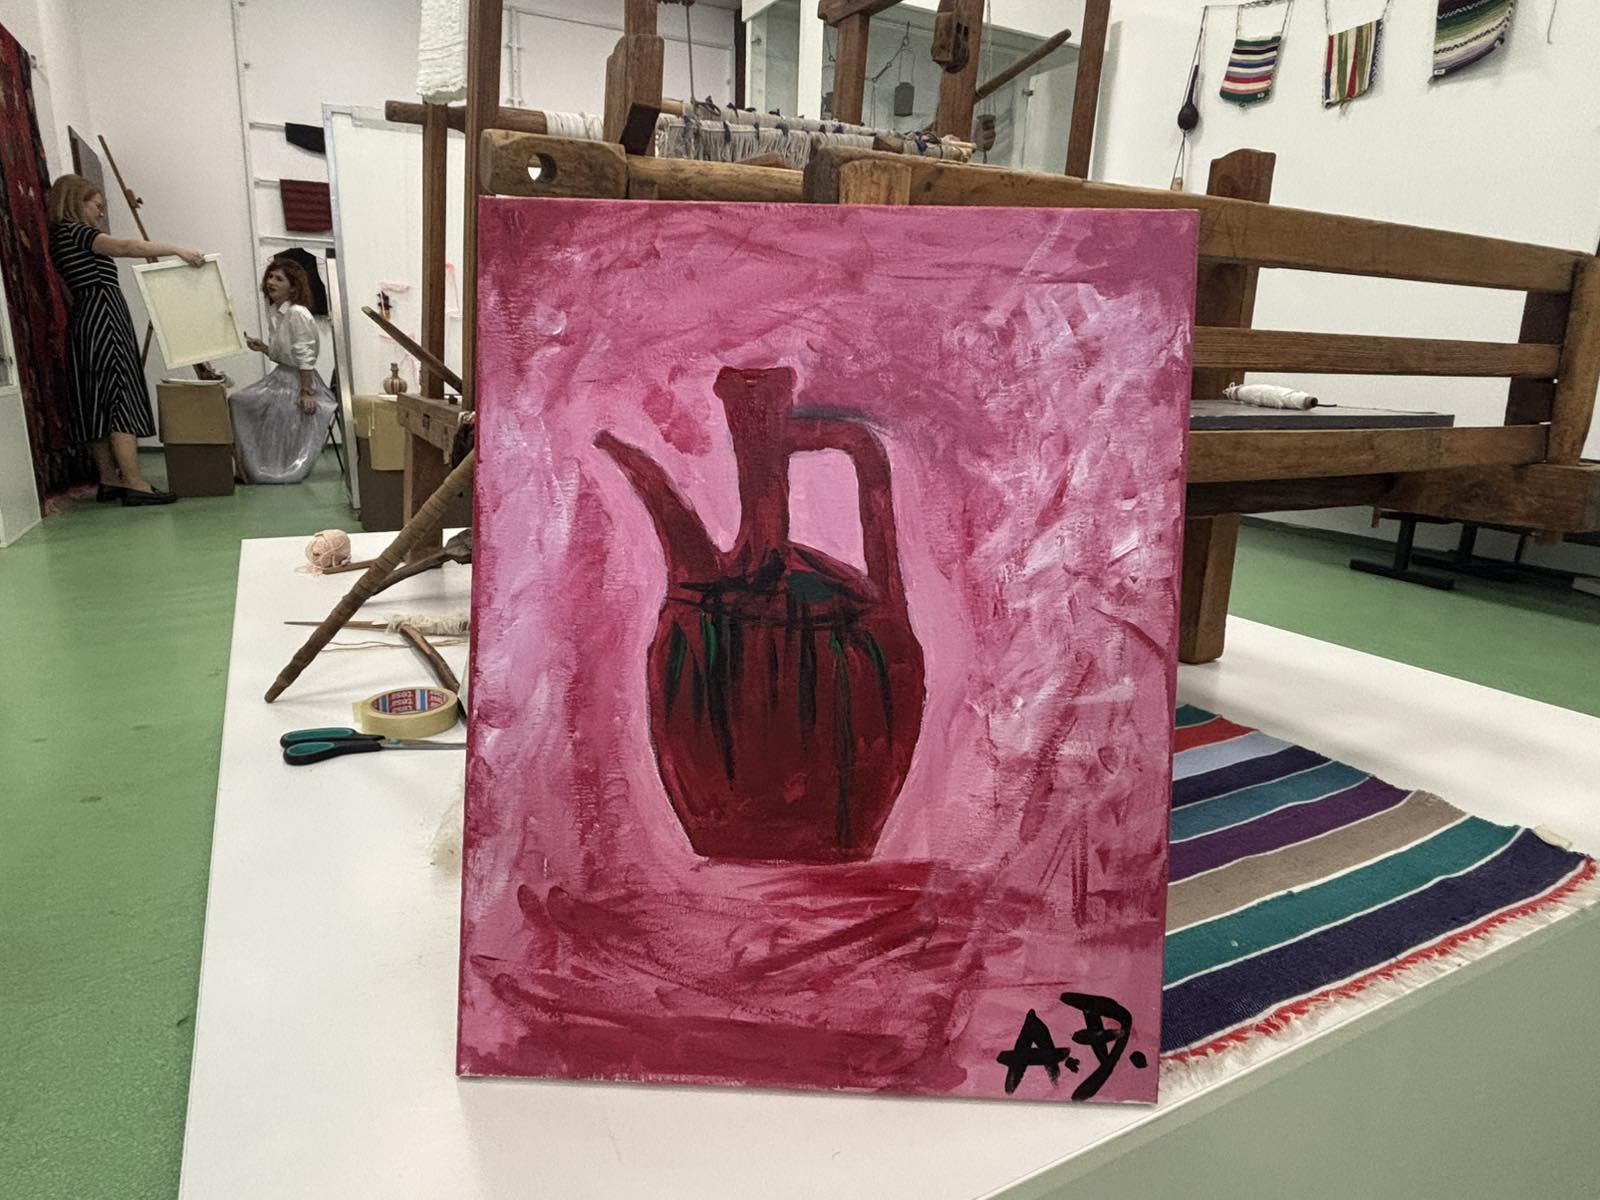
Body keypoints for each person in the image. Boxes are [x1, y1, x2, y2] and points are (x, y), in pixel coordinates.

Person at [46, 173, 205, 506]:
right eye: (97, 205)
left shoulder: (59, 238)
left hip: (84, 321)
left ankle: (109, 479)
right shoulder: (78, 232)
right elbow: (126, 247)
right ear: (78, 202)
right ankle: (135, 483)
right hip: (105, 320)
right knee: (120, 397)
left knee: (96, 402)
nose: (101, 212)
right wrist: (178, 250)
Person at [229, 259, 337, 484]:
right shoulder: (277, 311)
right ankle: (253, 466)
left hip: (299, 380)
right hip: (283, 375)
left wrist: (306, 392)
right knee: (238, 401)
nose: (271, 282)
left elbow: (304, 355)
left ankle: (267, 466)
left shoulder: (297, 313)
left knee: (242, 402)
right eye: (270, 277)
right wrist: (264, 348)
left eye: (279, 279)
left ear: (293, 287)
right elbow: (285, 354)